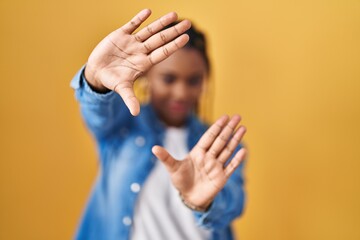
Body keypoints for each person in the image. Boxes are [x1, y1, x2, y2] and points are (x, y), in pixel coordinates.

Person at [71, 9, 247, 240]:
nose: (181, 93)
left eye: (193, 80)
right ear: (147, 74)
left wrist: (204, 203)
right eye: (169, 79)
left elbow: (233, 205)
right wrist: (96, 78)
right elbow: (98, 113)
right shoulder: (122, 125)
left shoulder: (222, 144)